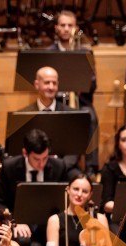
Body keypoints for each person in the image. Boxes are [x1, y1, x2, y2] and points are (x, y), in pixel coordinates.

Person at [0, 128, 69, 246]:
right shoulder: (9, 167)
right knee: (22, 240)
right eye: (36, 159)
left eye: (45, 158)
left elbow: (64, 201)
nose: (42, 164)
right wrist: (14, 222)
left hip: (48, 223)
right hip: (18, 222)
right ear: (25, 153)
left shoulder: (59, 167)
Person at [50, 11, 100, 173]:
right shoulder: (49, 53)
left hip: (80, 100)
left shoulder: (85, 52)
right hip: (56, 101)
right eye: (62, 25)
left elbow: (93, 85)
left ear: (76, 28)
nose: (66, 29)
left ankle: (92, 169)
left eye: (70, 25)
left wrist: (82, 84)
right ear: (56, 28)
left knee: (91, 118)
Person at [16, 67, 81, 173]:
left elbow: (74, 151)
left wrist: (60, 167)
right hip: (32, 165)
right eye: (47, 83)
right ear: (37, 84)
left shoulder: (70, 114)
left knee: (77, 178)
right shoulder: (23, 115)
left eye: (54, 83)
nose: (51, 87)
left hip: (63, 167)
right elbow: (19, 149)